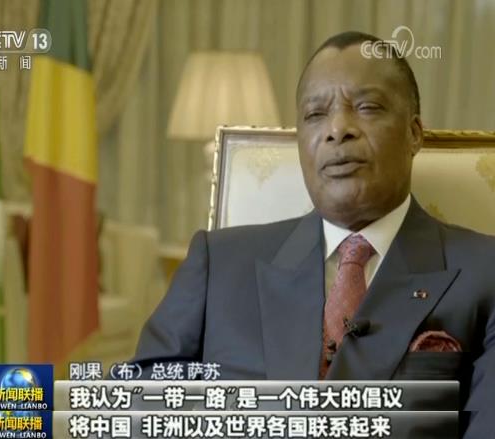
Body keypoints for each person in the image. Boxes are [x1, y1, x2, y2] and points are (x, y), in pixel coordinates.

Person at [132, 31, 495, 438]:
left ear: (414, 134)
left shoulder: (484, 272)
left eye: (367, 107)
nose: (337, 129)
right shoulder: (218, 263)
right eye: (315, 114)